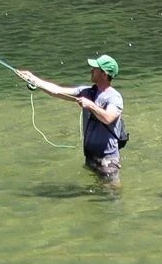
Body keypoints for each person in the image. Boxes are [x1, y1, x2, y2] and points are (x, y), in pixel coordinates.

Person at [19, 53, 126, 182]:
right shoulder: (86, 91)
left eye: (95, 68)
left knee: (111, 192)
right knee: (96, 194)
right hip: (90, 156)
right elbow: (57, 91)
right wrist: (34, 79)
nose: (91, 70)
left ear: (104, 74)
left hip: (108, 159)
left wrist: (91, 105)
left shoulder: (114, 97)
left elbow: (108, 118)